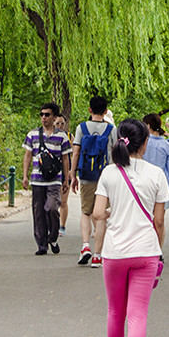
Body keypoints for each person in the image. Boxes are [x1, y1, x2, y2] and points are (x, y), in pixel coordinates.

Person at [91, 119, 168, 337]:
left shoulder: (109, 174)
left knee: (115, 311)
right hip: (145, 251)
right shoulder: (156, 174)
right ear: (145, 144)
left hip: (114, 252)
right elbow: (159, 221)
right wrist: (157, 248)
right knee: (138, 314)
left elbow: (98, 213)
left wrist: (115, 217)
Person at [70, 96, 117, 267]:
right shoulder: (112, 130)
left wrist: (72, 173)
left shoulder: (81, 128)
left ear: (89, 110)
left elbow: (76, 152)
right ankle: (98, 255)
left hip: (86, 175)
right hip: (107, 176)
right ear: (105, 111)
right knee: (102, 214)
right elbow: (115, 154)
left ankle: (85, 246)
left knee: (86, 211)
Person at [23, 103, 71, 255]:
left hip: (54, 179)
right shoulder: (33, 135)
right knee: (38, 211)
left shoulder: (62, 136)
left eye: (47, 115)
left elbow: (65, 159)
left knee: (51, 208)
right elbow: (27, 156)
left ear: (54, 117)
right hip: (37, 179)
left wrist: (66, 178)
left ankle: (53, 237)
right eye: (42, 114)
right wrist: (25, 175)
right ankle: (42, 244)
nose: (44, 117)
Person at [142, 113, 169, 208]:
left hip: (144, 185)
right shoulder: (167, 145)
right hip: (162, 185)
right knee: (159, 219)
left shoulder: (142, 143)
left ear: (148, 126)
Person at [54, 114, 71, 236]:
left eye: (62, 124)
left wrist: (72, 171)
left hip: (66, 173)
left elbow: (73, 154)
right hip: (53, 172)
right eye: (57, 123)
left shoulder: (69, 137)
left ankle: (62, 226)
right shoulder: (49, 136)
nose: (60, 126)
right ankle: (52, 225)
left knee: (63, 201)